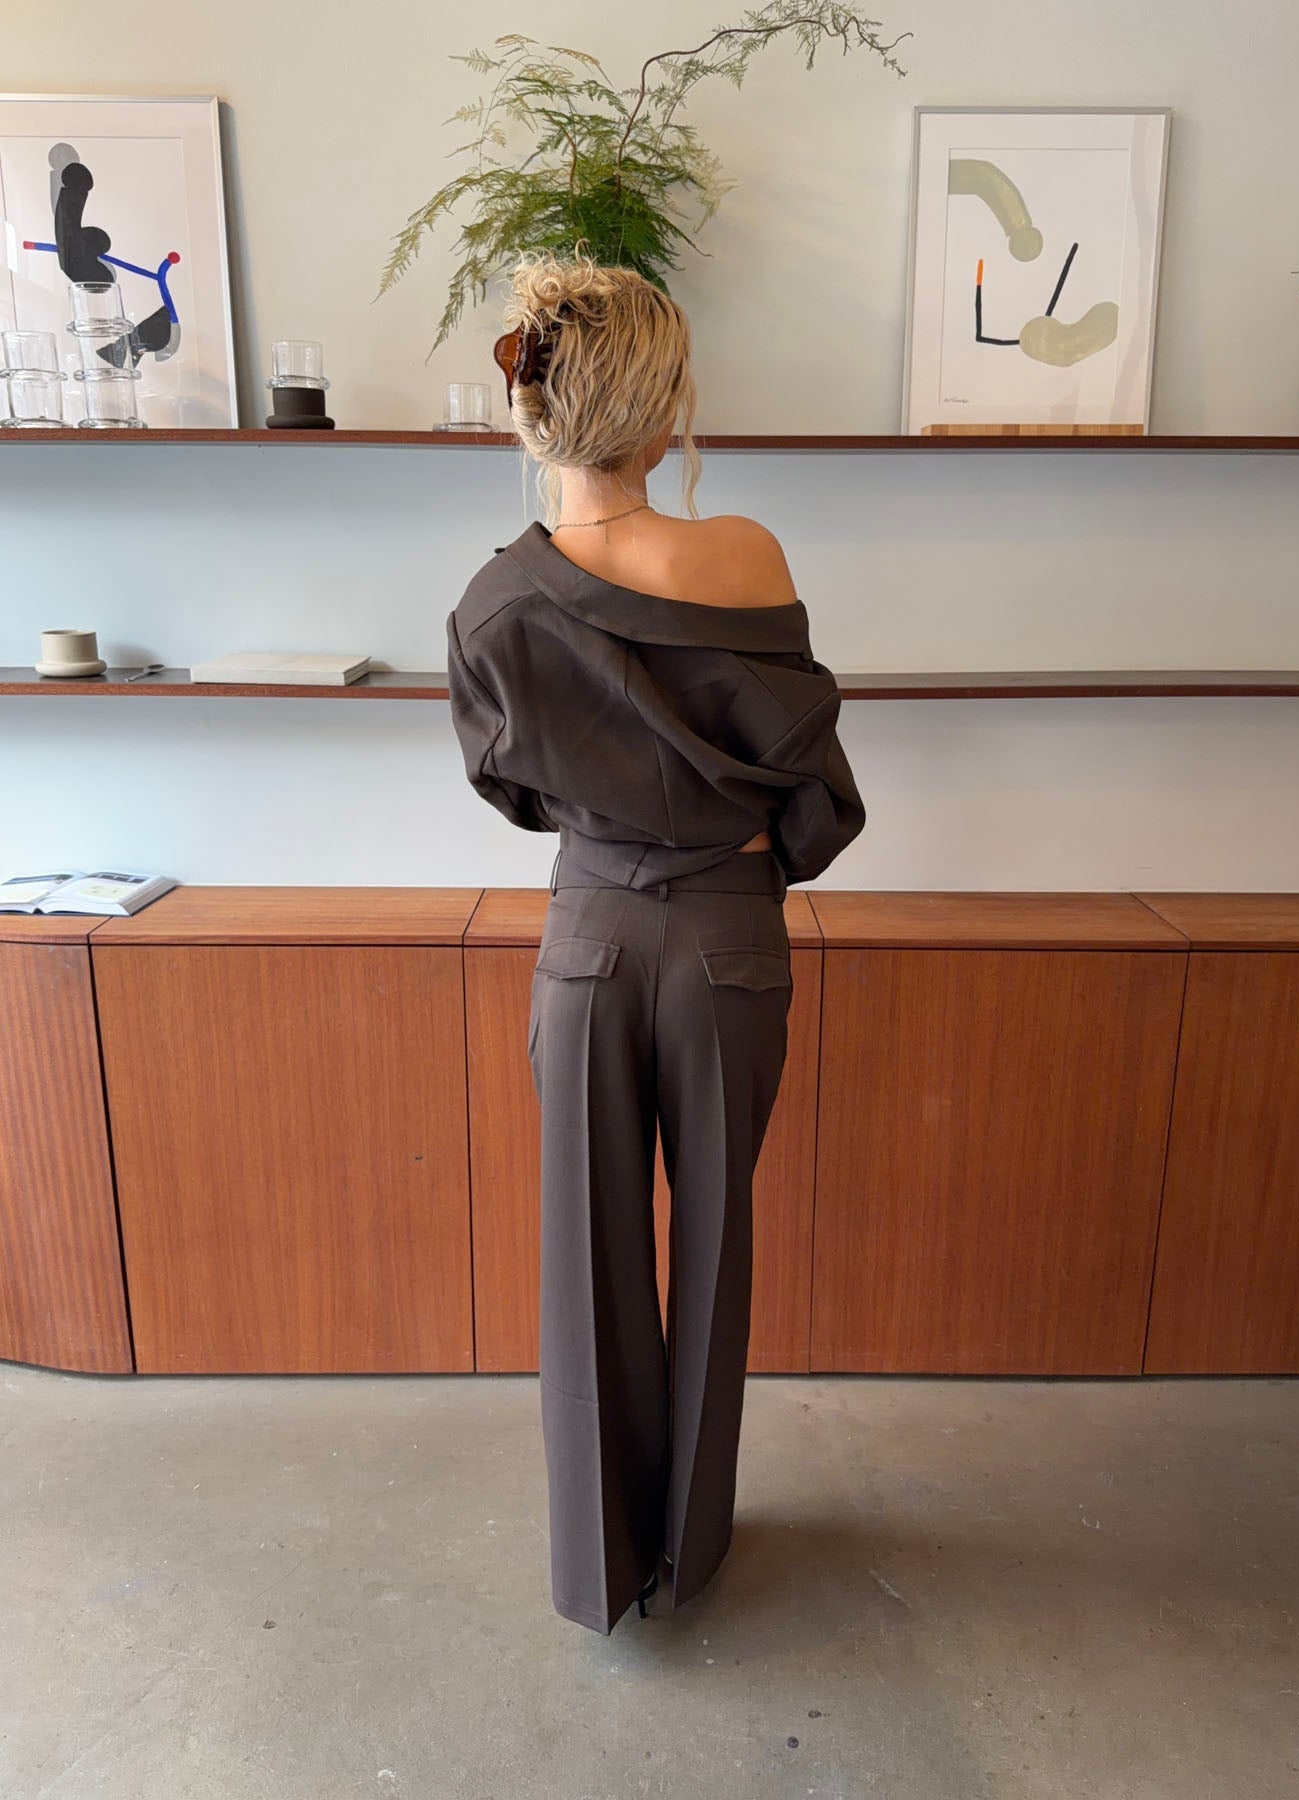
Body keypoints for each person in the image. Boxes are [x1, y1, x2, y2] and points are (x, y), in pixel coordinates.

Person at [446, 249, 866, 1634]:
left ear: (529, 407)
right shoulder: (744, 555)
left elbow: (511, 791)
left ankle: (599, 1568)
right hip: (730, 938)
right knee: (717, 1240)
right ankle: (692, 1546)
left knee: (585, 1255)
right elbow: (808, 773)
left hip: (587, 938)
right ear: (667, 406)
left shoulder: (492, 602)